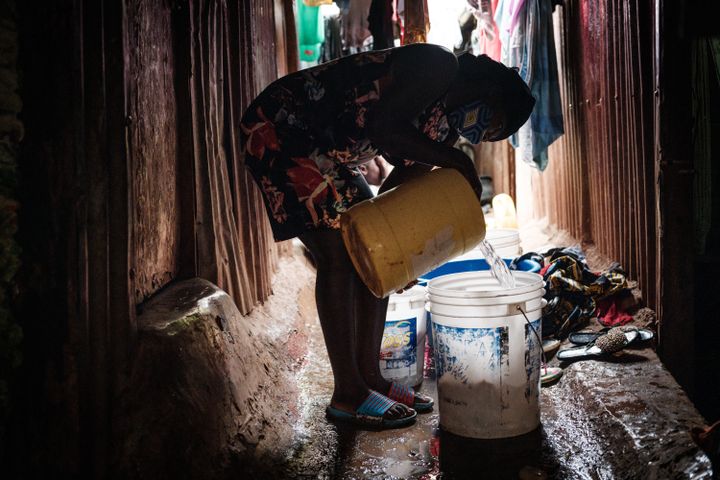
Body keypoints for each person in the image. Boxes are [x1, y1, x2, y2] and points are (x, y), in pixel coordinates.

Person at [241, 43, 534, 428]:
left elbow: (397, 189)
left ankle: (369, 378)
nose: (477, 135)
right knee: (340, 256)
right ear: (488, 91)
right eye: (489, 124)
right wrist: (456, 160)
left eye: (486, 136)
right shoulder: (439, 65)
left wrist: (397, 246)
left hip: (326, 150)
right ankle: (348, 393)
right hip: (283, 126)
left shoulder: (444, 126)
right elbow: (384, 127)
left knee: (371, 250)